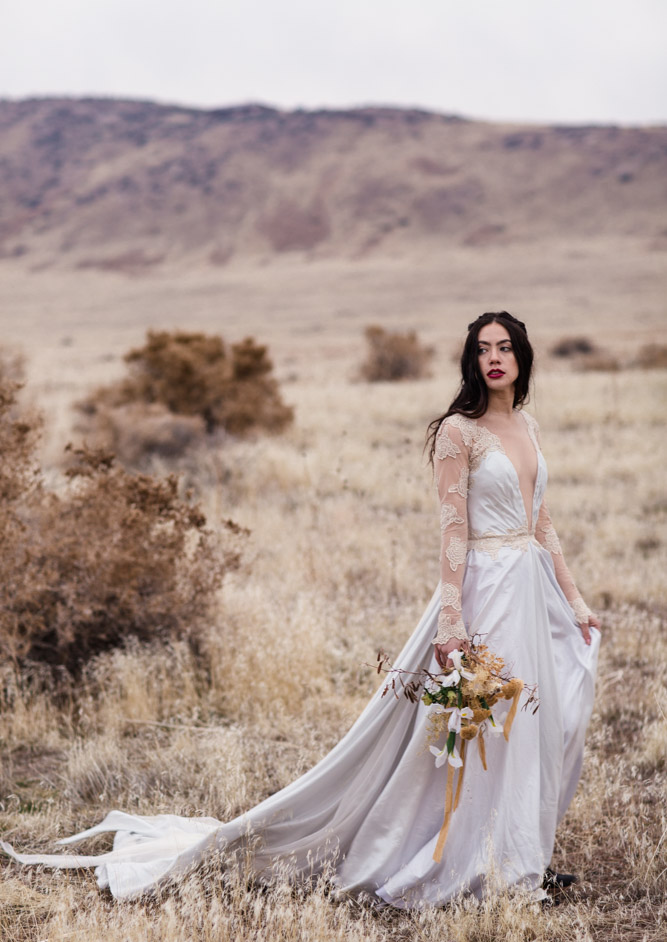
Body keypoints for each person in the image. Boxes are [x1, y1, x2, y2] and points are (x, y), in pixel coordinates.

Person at [2, 310, 600, 906]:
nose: (493, 357)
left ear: (521, 358)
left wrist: (573, 599)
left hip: (531, 588)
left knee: (538, 725)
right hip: (484, 591)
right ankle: (481, 865)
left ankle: (522, 856)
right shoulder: (457, 432)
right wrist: (451, 618)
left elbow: (540, 521)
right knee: (483, 729)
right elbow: (452, 532)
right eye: (482, 349)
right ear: (471, 361)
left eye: (505, 348)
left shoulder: (529, 425)